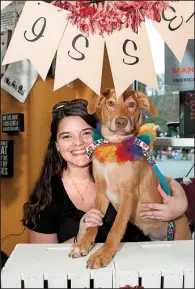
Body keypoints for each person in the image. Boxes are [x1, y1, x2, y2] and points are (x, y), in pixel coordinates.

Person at [22, 99, 189, 244]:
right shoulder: (46, 195)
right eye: (67, 136)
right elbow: (42, 258)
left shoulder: (118, 168)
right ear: (57, 145)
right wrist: (79, 238)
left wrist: (180, 204)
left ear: (100, 135)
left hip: (138, 272)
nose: (78, 143)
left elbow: (165, 180)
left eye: (86, 133)